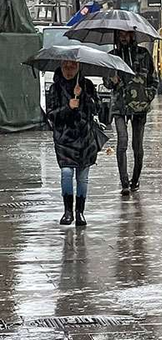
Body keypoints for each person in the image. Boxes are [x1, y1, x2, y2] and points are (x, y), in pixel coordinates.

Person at [46, 60, 101, 227]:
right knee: (67, 173)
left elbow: (97, 109)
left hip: (85, 138)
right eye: (65, 67)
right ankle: (68, 211)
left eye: (72, 67)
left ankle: (80, 212)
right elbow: (51, 114)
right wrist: (69, 107)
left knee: (82, 178)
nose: (69, 71)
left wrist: (84, 96)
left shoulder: (88, 85)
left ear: (78, 68)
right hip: (65, 139)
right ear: (60, 67)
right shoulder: (55, 89)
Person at [107, 29, 158, 196]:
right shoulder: (112, 56)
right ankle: (124, 183)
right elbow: (106, 82)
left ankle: (135, 180)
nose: (123, 38)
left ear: (132, 36)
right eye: (120, 35)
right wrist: (111, 81)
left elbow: (153, 79)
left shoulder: (143, 55)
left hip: (139, 106)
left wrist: (148, 95)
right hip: (120, 106)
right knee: (122, 141)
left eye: (126, 34)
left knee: (137, 146)